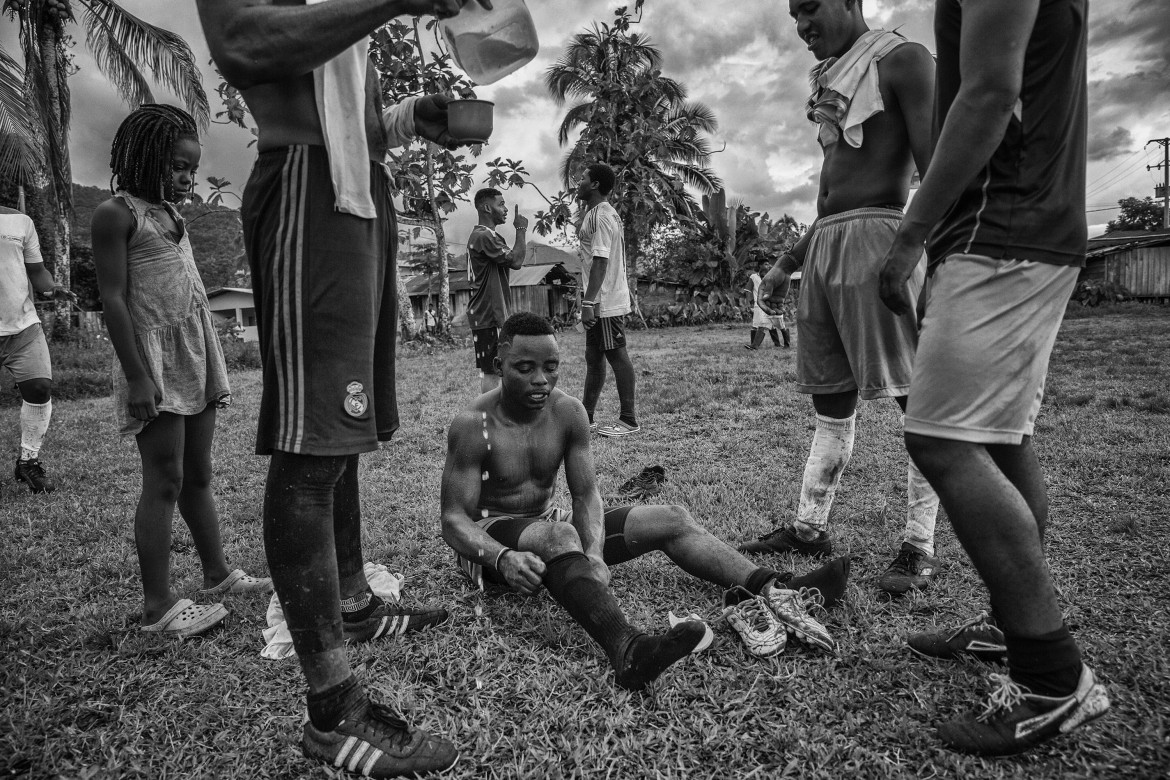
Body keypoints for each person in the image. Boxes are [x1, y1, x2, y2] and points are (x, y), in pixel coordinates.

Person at [196, 0, 489, 775]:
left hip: (358, 193)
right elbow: (242, 44)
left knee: (345, 426)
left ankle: (354, 604)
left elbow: (345, 112)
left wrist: (404, 118)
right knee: (312, 439)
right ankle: (332, 714)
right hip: (304, 187)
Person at [877, 0, 1109, 755]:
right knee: (999, 438)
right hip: (1020, 221)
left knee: (938, 438)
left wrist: (911, 235)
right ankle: (1009, 628)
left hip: (1001, 222)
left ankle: (1052, 675)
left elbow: (987, 92)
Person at [441, 313, 852, 681]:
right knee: (559, 537)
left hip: (547, 519)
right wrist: (501, 558)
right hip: (491, 534)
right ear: (499, 366)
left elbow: (586, 494)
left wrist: (596, 553)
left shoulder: (567, 412)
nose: (540, 381)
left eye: (550, 368)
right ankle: (628, 648)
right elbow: (454, 520)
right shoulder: (473, 425)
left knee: (671, 517)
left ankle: (777, 588)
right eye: (524, 369)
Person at [739, 0, 942, 598]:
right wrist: (786, 260)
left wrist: (912, 247)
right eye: (794, 16)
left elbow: (937, 170)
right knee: (831, 402)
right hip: (826, 246)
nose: (802, 26)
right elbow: (832, 198)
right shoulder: (833, 78)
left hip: (881, 237)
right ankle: (808, 529)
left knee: (916, 403)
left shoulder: (901, 60)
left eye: (811, 9)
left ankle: (919, 544)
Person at [90, 104, 273, 637]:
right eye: (176, 165)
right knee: (164, 479)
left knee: (198, 473)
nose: (185, 177)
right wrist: (137, 376)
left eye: (191, 168)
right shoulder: (116, 214)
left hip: (195, 350)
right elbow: (115, 300)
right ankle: (158, 606)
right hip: (154, 362)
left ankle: (217, 574)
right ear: (142, 156)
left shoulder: (174, 215)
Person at [0, 205, 73, 494]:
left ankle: (28, 462)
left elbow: (36, 271)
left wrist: (52, 289)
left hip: (22, 326)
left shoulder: (21, 220)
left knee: (40, 387)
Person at [576, 163, 639, 437]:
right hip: (599, 299)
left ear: (595, 185)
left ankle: (628, 420)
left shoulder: (601, 215)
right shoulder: (602, 214)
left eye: (583, 178)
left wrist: (589, 303)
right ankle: (585, 416)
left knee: (616, 354)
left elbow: (601, 261)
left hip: (605, 301)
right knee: (594, 356)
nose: (578, 182)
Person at [466, 187, 527, 393]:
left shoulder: (486, 236)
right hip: (490, 313)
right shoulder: (484, 236)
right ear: (486, 207)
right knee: (492, 370)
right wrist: (520, 229)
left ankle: (496, 414)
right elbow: (517, 261)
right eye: (500, 204)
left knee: (495, 367)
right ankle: (491, 417)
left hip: (487, 313)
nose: (505, 209)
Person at [744, 264, 789, 350]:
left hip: (776, 307)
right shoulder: (762, 280)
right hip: (767, 308)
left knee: (782, 327)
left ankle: (787, 344)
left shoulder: (776, 279)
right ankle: (754, 346)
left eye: (764, 276)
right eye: (761, 276)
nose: (762, 278)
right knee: (762, 325)